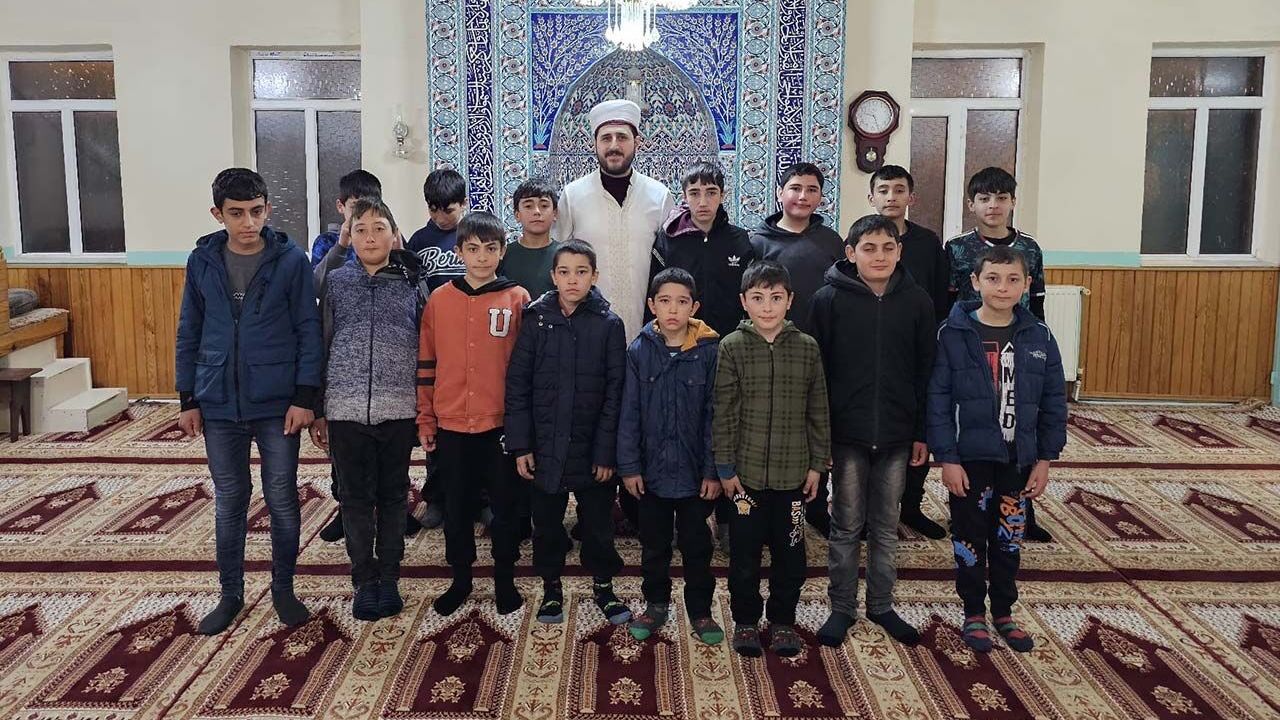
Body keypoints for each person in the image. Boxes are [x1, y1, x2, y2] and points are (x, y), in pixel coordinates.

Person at [175, 168, 322, 635]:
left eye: (256, 212)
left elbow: (308, 329)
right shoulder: (202, 261)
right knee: (230, 500)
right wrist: (187, 397)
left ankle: (283, 589)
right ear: (217, 214)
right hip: (218, 400)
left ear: (268, 209)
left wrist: (305, 396)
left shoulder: (291, 260)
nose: (248, 223)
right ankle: (230, 594)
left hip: (277, 403)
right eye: (236, 213)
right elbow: (189, 330)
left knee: (282, 497)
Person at [927, 245, 1067, 653]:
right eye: (992, 278)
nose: (1002, 287)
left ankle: (1003, 610)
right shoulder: (951, 334)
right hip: (970, 459)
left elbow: (1054, 401)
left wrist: (1045, 458)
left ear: (1026, 284)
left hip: (1018, 459)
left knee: (1009, 538)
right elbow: (938, 399)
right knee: (969, 537)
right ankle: (973, 610)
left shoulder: (1040, 336)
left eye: (1012, 280)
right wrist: (947, 458)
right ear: (975, 282)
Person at [809, 214, 935, 648]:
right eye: (868, 248)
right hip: (847, 434)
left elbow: (926, 371)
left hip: (898, 434)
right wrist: (821, 434)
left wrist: (921, 431)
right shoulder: (828, 299)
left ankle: (882, 605)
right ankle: (841, 607)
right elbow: (817, 373)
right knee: (846, 525)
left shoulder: (917, 302)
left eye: (887, 247)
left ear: (900, 251)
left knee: (885, 525)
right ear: (851, 253)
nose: (879, 256)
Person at [504, 240, 630, 626]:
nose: (572, 279)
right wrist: (521, 444)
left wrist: (606, 452)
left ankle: (604, 585)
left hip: (593, 446)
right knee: (546, 523)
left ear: (594, 276)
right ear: (553, 276)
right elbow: (518, 384)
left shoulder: (609, 324)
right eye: (564, 272)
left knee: (598, 524)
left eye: (581, 272)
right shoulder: (535, 319)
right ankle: (551, 587)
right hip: (545, 445)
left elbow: (616, 392)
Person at [310, 198, 424, 620]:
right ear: (349, 236)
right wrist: (319, 407)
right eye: (361, 230)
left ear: (394, 236)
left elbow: (427, 346)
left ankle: (389, 577)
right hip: (345, 409)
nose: (370, 238)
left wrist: (424, 407)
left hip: (399, 408)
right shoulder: (336, 282)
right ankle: (363, 579)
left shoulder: (413, 282)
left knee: (394, 496)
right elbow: (320, 343)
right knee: (354, 499)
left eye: (379, 229)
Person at [417, 211, 531, 617]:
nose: (482, 257)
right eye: (473, 249)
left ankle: (504, 578)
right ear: (459, 252)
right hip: (451, 423)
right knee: (457, 506)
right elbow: (426, 363)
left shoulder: (517, 298)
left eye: (490, 248)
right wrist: (426, 417)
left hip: (500, 424)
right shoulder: (439, 300)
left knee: (505, 507)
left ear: (502, 251)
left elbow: (526, 368)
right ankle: (461, 579)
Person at [714, 260, 830, 658]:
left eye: (776, 298)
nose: (767, 307)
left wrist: (817, 464)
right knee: (744, 555)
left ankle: (782, 620)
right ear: (744, 301)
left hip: (792, 476)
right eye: (758, 298)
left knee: (791, 555)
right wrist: (725, 466)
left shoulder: (807, 348)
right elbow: (724, 411)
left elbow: (818, 410)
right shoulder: (731, 346)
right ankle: (746, 620)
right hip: (745, 478)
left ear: (790, 301)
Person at [646, 160, 755, 553]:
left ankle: (727, 517)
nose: (703, 201)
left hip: (728, 352)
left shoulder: (741, 241)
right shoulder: (669, 240)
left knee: (725, 429)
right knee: (686, 429)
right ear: (685, 196)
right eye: (695, 193)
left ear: (722, 195)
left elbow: (750, 299)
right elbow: (656, 295)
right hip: (683, 353)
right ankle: (687, 517)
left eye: (711, 193)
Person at [943, 166, 1053, 542]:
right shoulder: (957, 248)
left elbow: (1037, 304)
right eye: (985, 198)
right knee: (974, 426)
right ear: (971, 204)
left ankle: (1022, 510)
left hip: (1018, 347)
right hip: (970, 349)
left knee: (1020, 425)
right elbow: (947, 302)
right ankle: (966, 509)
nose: (993, 205)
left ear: (1013, 203)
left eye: (1001, 198)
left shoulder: (1030, 249)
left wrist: (1038, 346)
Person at [618, 268, 724, 646]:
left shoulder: (710, 352)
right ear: (652, 306)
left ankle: (700, 609)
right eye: (665, 301)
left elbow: (716, 415)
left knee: (698, 546)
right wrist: (629, 467)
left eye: (682, 302)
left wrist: (712, 471)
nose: (673, 309)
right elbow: (629, 413)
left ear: (694, 307)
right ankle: (656, 604)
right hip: (652, 473)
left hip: (696, 475)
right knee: (654, 545)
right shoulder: (639, 351)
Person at [750, 162, 843, 537]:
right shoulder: (757, 242)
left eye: (811, 189)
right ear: (779, 193)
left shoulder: (832, 242)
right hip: (771, 350)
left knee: (817, 424)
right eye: (795, 188)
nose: (802, 196)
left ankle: (816, 504)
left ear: (820, 197)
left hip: (820, 350)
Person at [867, 164, 949, 540]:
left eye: (898, 190)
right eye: (884, 190)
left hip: (919, 350)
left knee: (919, 429)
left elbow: (941, 299)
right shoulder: (860, 238)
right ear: (871, 197)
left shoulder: (929, 244)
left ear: (910, 197)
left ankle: (912, 507)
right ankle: (868, 509)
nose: (891, 197)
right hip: (872, 349)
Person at [552, 99, 674, 339]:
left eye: (622, 137)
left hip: (647, 335)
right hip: (586, 335)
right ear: (594, 144)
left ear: (637, 142)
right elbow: (559, 260)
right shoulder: (573, 196)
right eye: (606, 138)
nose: (614, 145)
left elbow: (670, 266)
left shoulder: (659, 196)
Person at [403, 167, 469, 530]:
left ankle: (479, 498)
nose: (442, 217)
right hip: (435, 344)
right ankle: (437, 498)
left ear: (464, 203)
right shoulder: (418, 240)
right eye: (434, 209)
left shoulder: (475, 236)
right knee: (437, 425)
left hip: (474, 344)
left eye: (449, 210)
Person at [500, 177, 561, 300]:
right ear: (517, 215)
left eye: (544, 206)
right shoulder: (503, 255)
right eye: (528, 206)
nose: (537, 212)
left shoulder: (565, 254)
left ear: (555, 213)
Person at [309, 169, 382, 268]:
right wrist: (341, 247)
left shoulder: (385, 237)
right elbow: (316, 277)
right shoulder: (327, 241)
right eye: (355, 207)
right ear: (340, 206)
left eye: (370, 207)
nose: (363, 214)